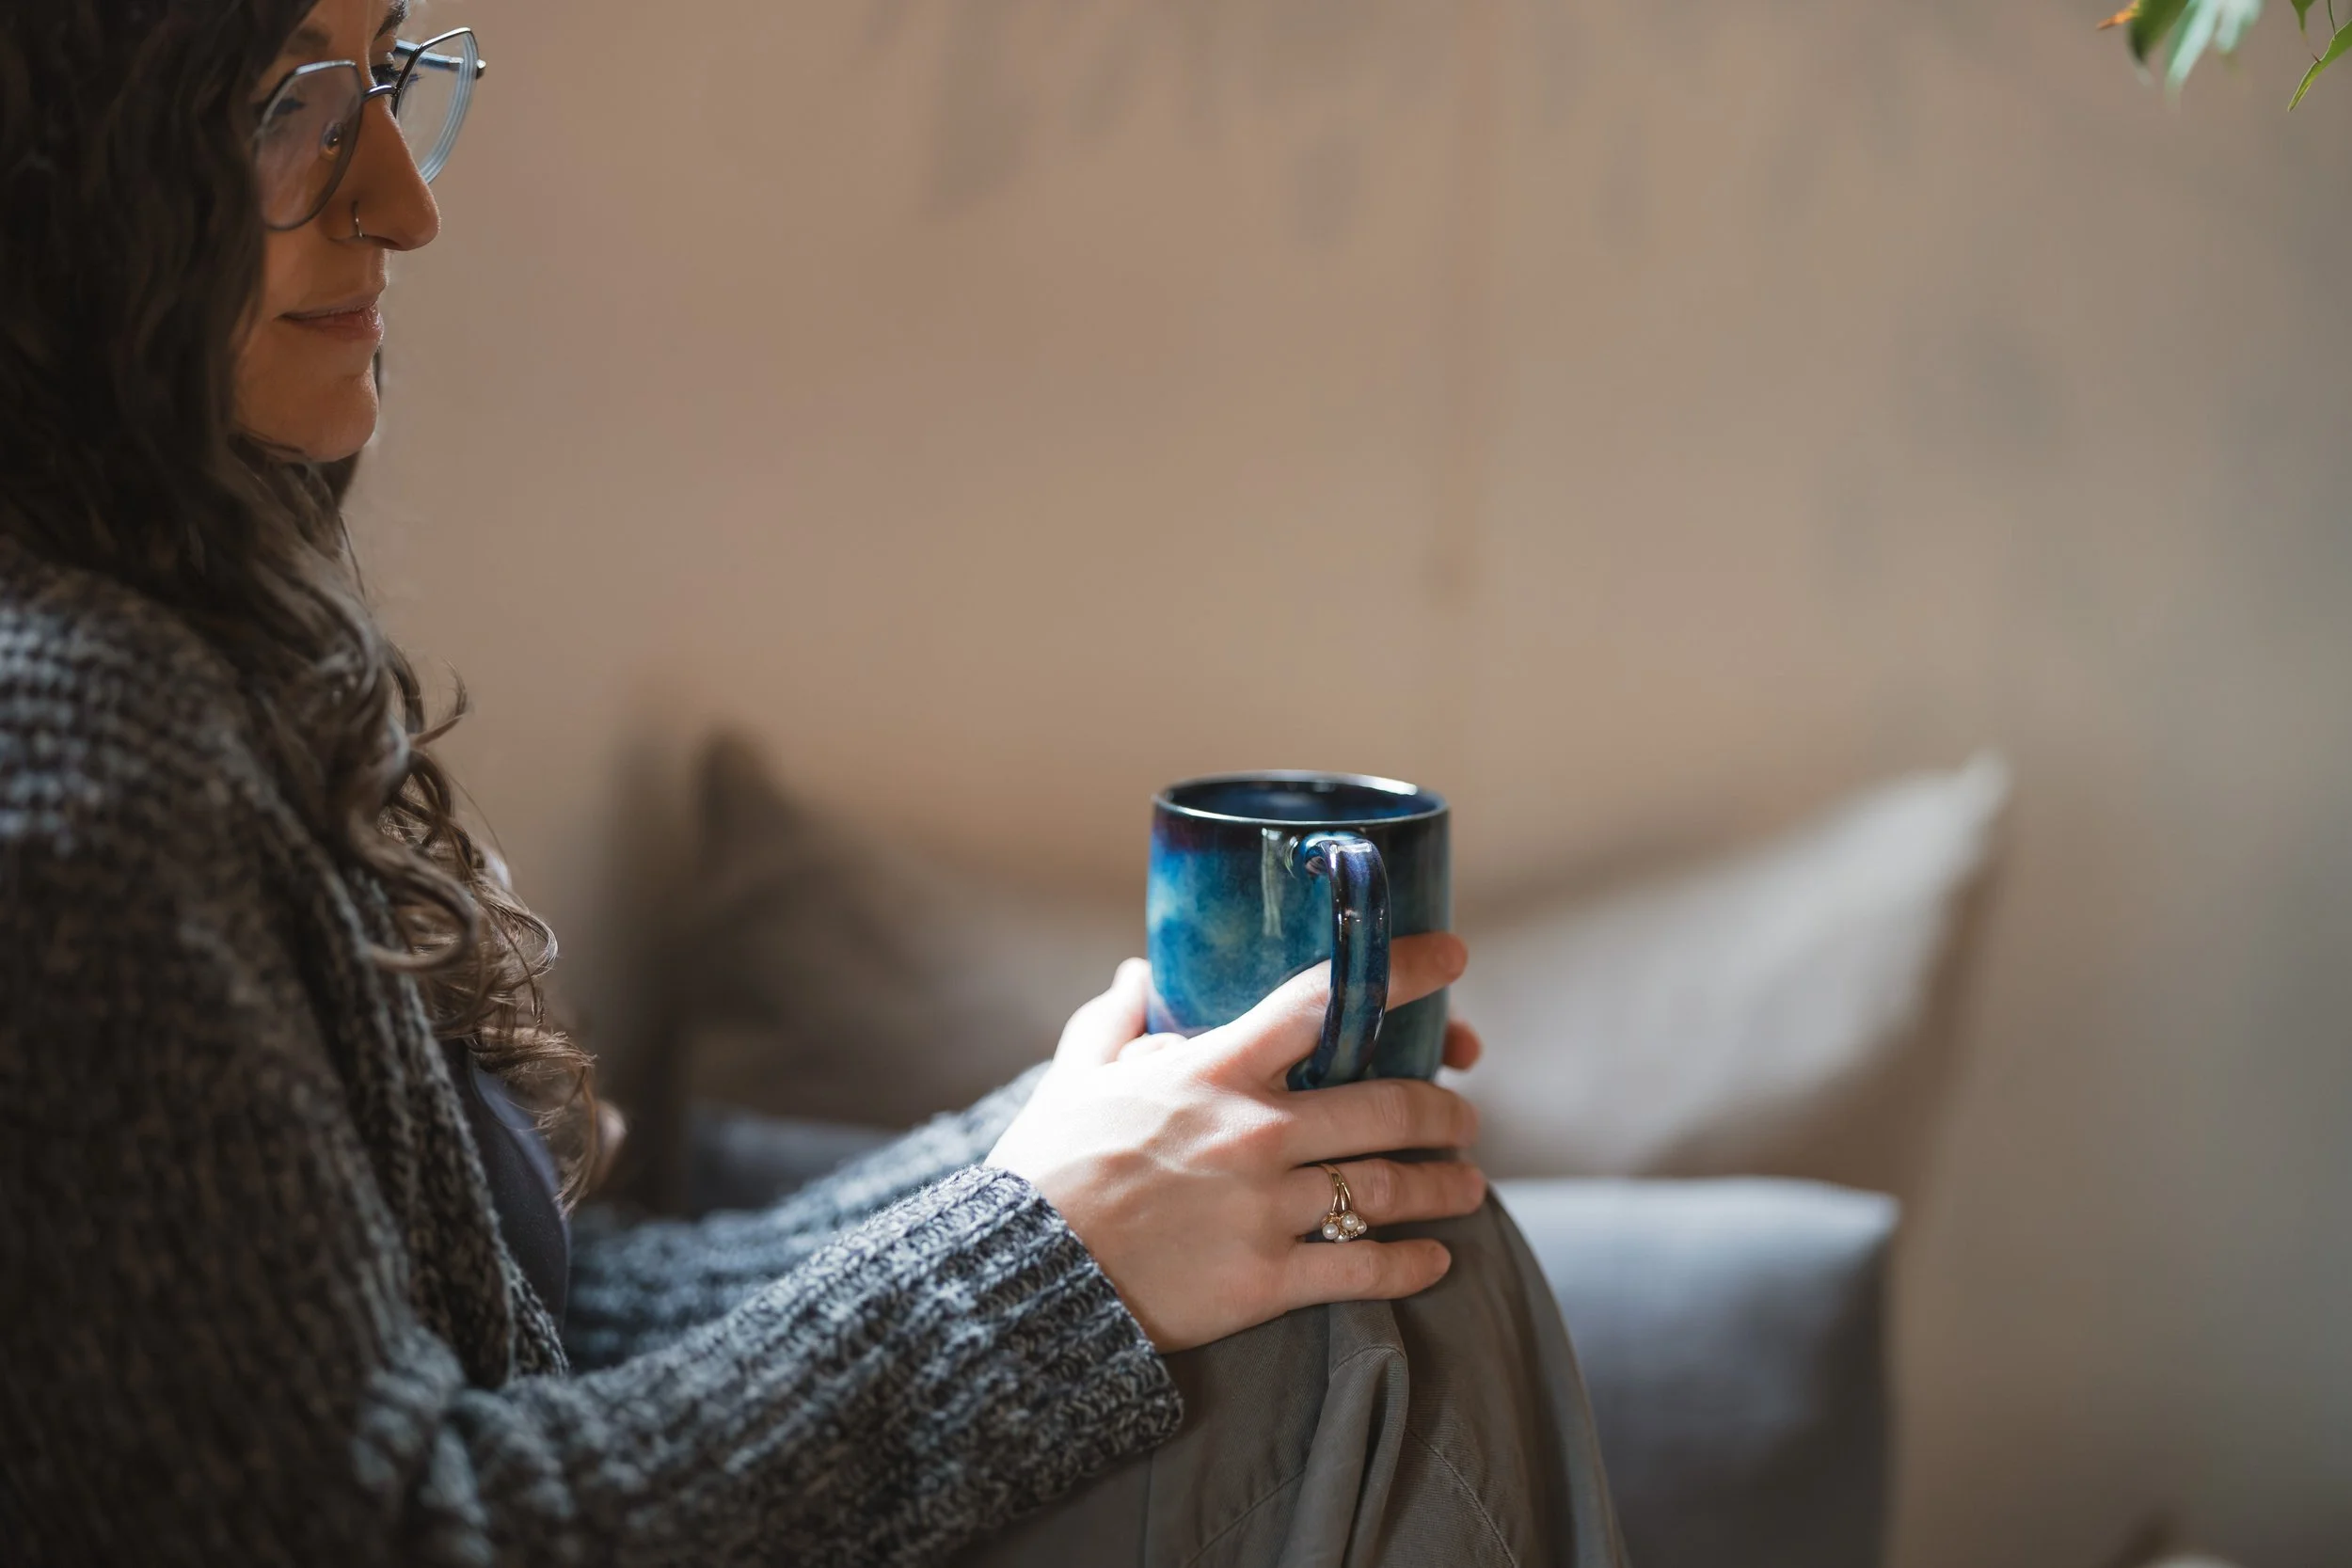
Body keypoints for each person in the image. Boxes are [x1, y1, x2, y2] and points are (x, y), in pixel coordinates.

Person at [0, 2, 1624, 1563]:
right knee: (1387, 1278)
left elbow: (536, 1330)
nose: (406, 201)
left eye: (388, 73)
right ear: (57, 162)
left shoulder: (182, 660)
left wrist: (1068, 1149)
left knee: (1349, 1215)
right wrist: (1046, 1249)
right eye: (292, 102)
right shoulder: (69, 750)